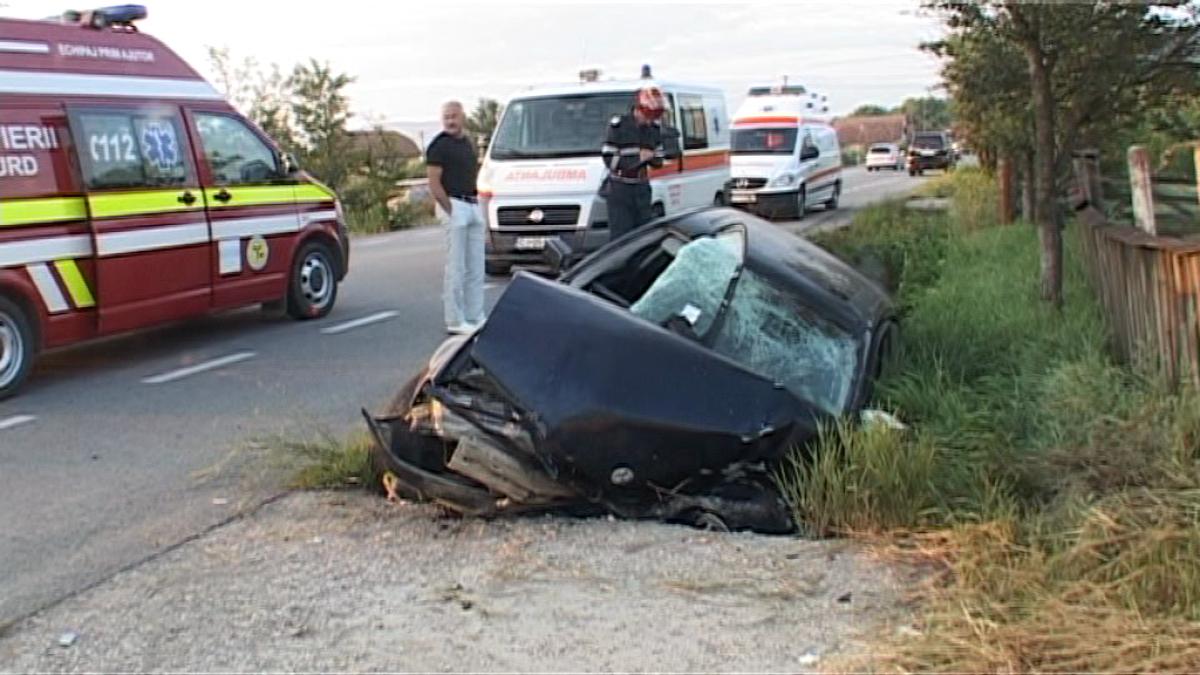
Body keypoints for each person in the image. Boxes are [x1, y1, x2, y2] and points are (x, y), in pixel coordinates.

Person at [426, 101, 485, 334]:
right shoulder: (438, 146)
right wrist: (450, 208)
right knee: (456, 266)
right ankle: (454, 319)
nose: (450, 121)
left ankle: (475, 315)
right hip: (454, 204)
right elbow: (433, 181)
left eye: (454, 116)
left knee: (476, 265)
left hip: (472, 203)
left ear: (463, 117)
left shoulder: (468, 143)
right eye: (446, 117)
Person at [601, 85, 667, 240]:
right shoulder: (619, 126)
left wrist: (653, 157)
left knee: (643, 234)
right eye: (648, 116)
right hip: (620, 188)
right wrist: (637, 158)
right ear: (639, 110)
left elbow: (659, 159)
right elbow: (608, 158)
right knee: (621, 236)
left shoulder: (653, 129)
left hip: (641, 187)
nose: (649, 121)